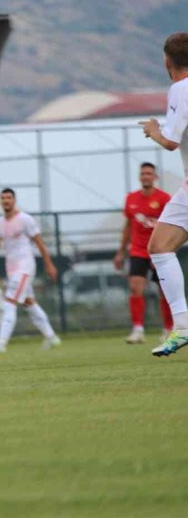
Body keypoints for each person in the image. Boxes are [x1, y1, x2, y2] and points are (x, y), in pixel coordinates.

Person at [139, 32, 188, 357]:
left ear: (166, 61)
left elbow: (171, 141)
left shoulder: (181, 88)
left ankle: (182, 327)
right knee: (159, 247)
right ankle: (181, 327)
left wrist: (154, 129)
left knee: (159, 249)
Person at [0, 189, 61, 352]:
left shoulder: (25, 219)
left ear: (14, 200)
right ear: (0, 202)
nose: (6, 201)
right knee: (28, 303)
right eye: (3, 198)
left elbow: (40, 244)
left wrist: (49, 265)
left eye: (9, 198)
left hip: (25, 267)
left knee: (10, 301)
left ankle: (1, 343)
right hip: (11, 268)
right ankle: (52, 337)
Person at [113, 162, 173, 343]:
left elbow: (170, 227)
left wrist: (164, 250)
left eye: (149, 173)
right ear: (139, 177)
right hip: (138, 250)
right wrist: (121, 252)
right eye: (143, 173)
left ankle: (168, 329)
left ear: (155, 177)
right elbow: (128, 226)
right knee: (135, 286)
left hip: (159, 250)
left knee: (164, 290)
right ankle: (138, 330)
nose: (146, 176)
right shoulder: (131, 198)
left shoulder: (164, 198)